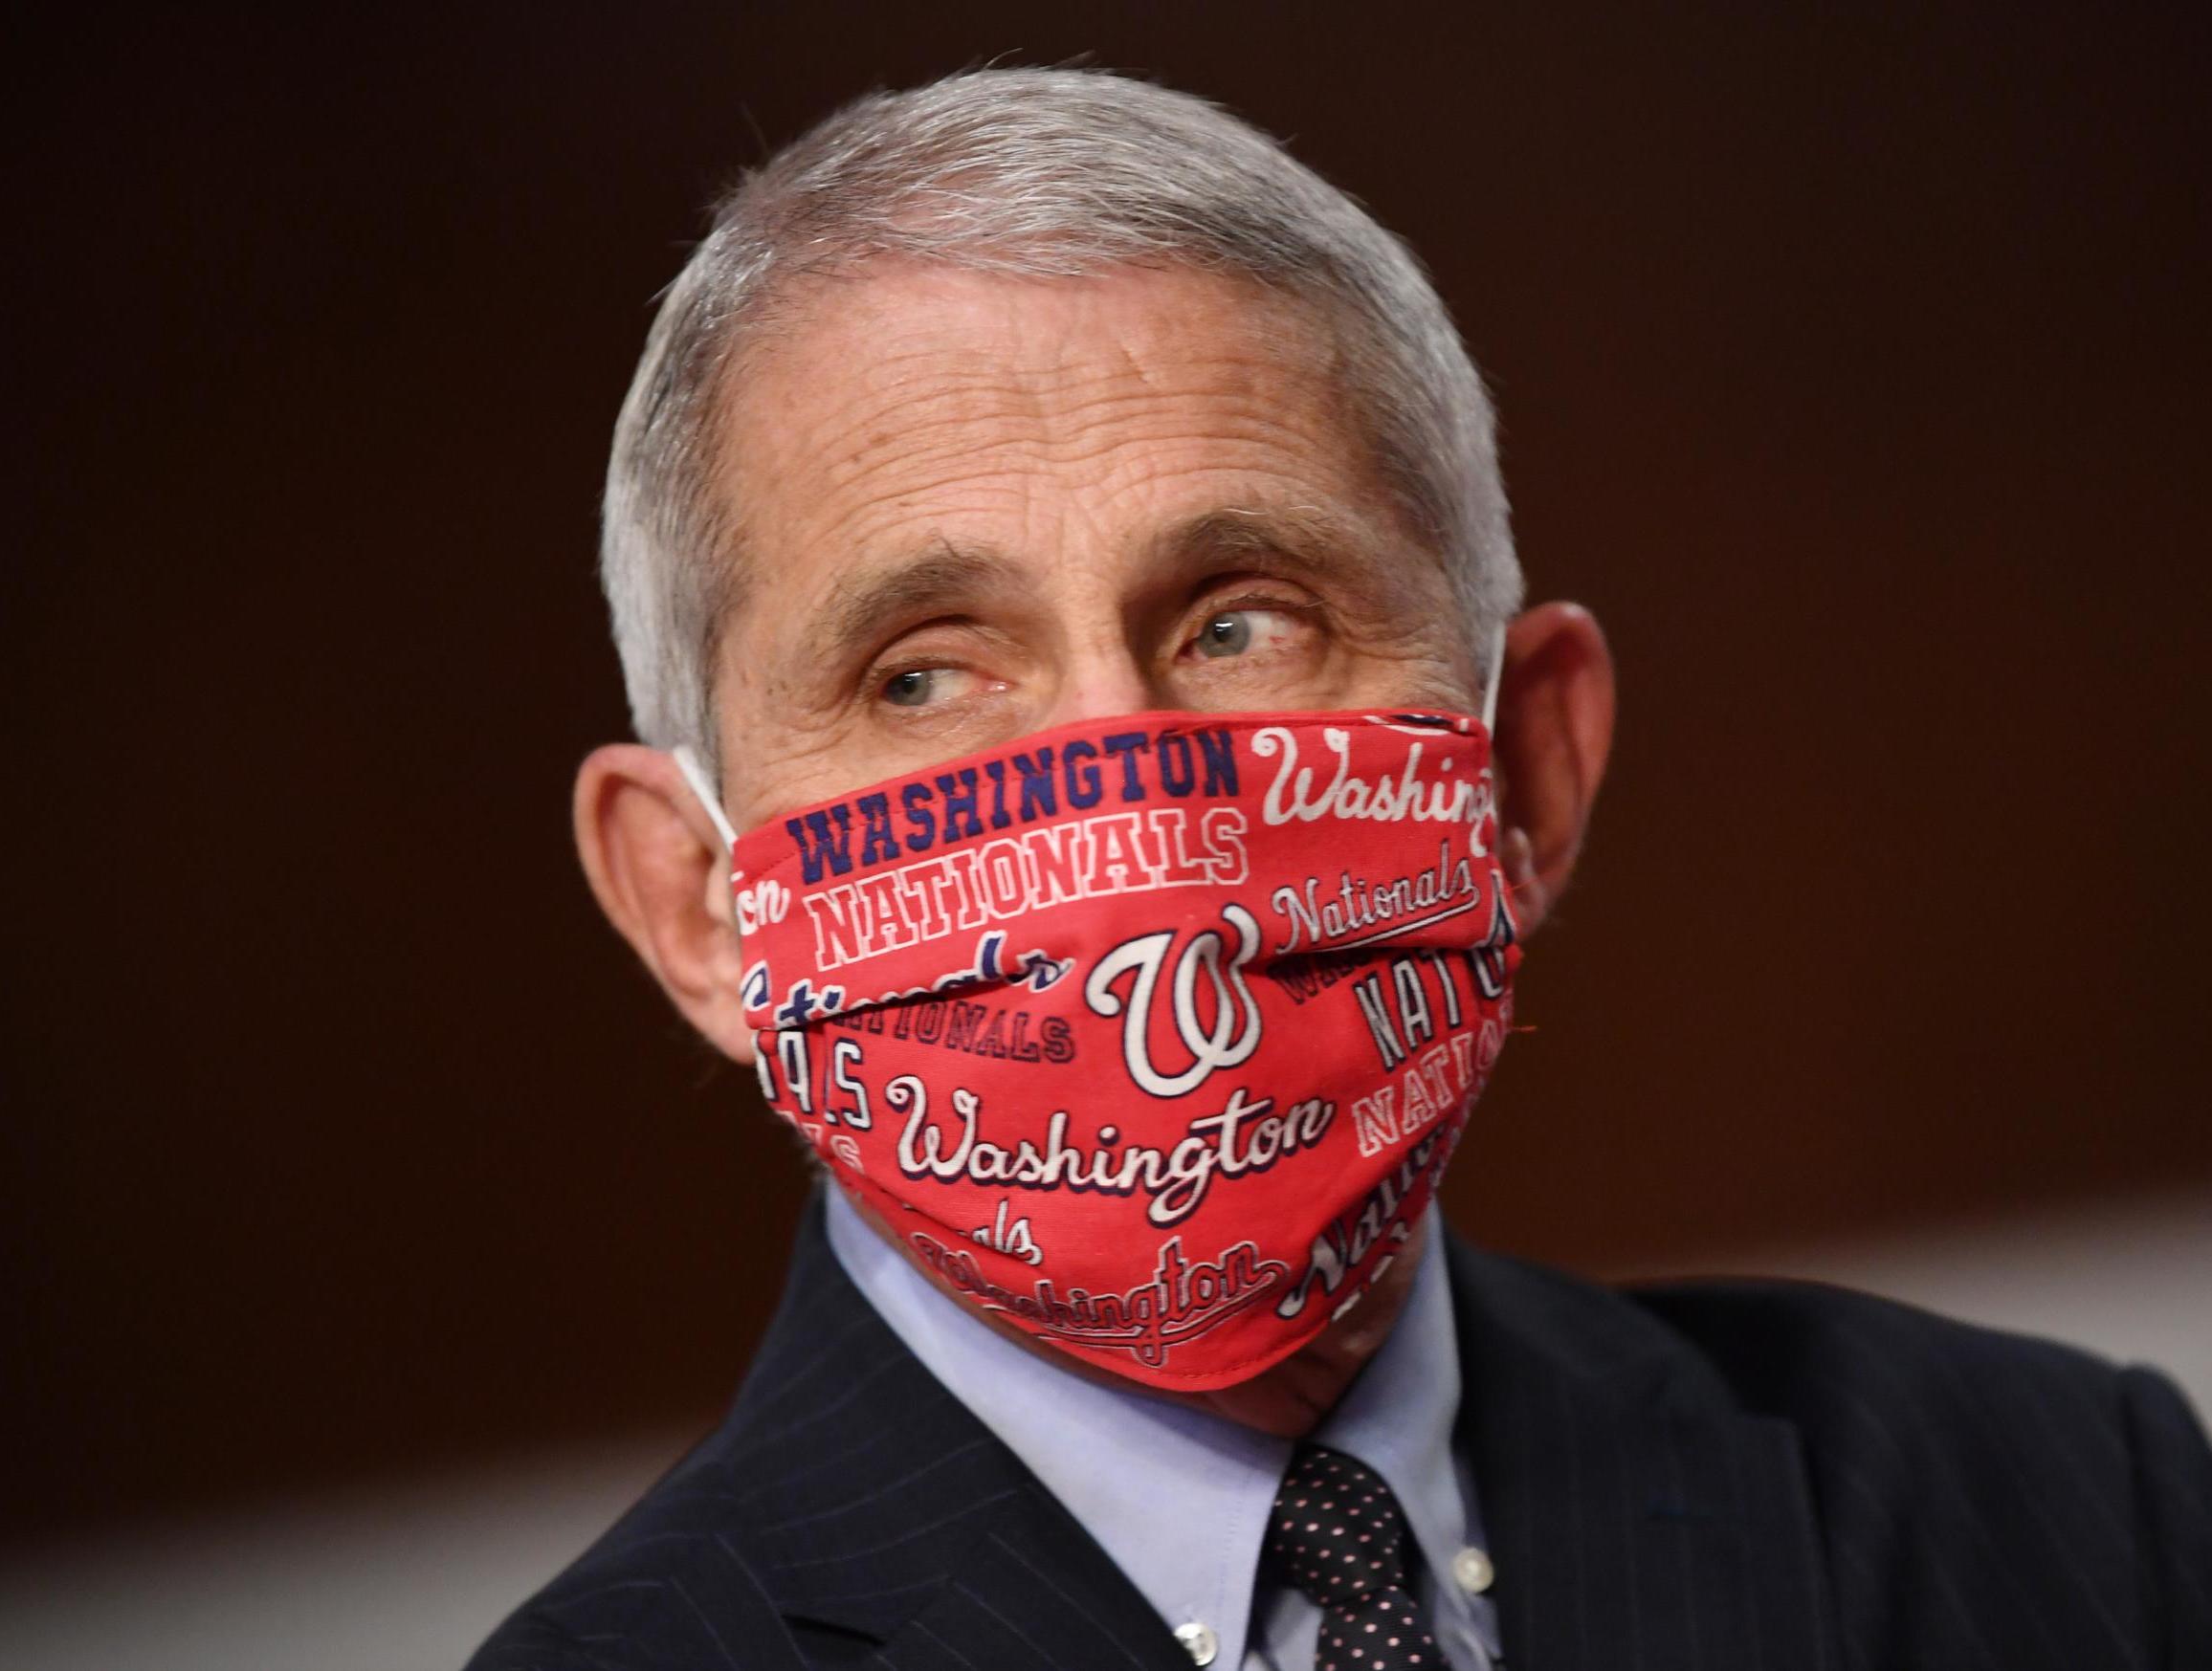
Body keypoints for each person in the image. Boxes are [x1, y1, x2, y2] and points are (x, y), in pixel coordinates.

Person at [470, 67, 2209, 1671]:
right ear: (696, 905)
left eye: (1242, 621)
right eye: (920, 671)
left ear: (1525, 765)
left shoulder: (2063, 1505)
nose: (1126, 804)